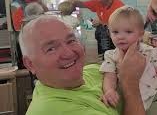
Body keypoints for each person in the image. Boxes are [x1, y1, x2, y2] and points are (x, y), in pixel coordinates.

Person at [19, 15, 147, 115]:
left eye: (71, 40)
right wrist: (131, 84)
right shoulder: (53, 109)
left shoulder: (92, 71)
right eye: (51, 49)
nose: (68, 53)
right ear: (30, 65)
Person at [100, 6, 157, 115]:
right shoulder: (111, 55)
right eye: (115, 32)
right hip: (127, 101)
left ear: (141, 34)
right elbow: (109, 76)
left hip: (155, 98)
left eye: (128, 32)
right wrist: (109, 90)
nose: (120, 37)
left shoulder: (150, 51)